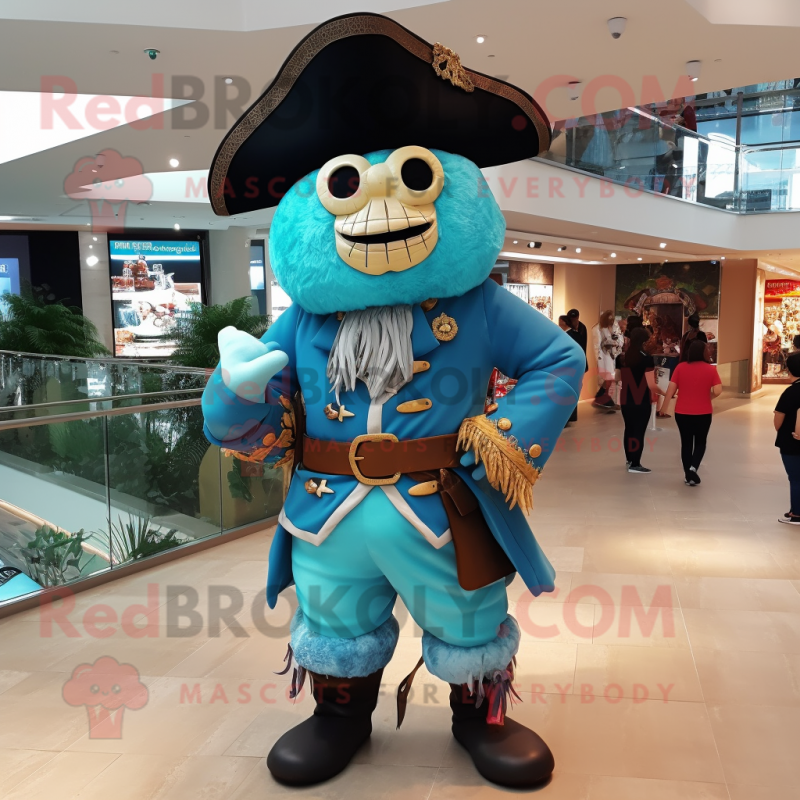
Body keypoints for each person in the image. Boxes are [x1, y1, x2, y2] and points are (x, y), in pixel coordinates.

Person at [662, 339, 722, 485]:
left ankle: (688, 475)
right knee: (700, 442)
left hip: (682, 412)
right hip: (704, 412)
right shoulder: (711, 369)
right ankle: (693, 469)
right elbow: (718, 391)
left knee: (686, 443)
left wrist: (664, 407)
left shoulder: (680, 367)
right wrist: (708, 397)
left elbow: (671, 389)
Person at [616, 327, 666, 474]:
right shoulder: (646, 359)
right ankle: (635, 463)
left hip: (626, 398)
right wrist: (666, 393)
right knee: (639, 431)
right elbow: (651, 385)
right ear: (644, 341)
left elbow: (617, 378)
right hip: (641, 400)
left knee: (629, 429)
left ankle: (629, 460)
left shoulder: (622, 357)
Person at [773, 352, 800, 524]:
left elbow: (778, 421)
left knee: (796, 478)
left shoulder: (790, 393)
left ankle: (796, 513)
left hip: (791, 442)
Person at [592, 310, 622, 411]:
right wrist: (599, 358)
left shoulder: (614, 327)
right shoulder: (598, 328)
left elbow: (619, 338)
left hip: (612, 354)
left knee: (610, 378)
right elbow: (597, 344)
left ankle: (603, 396)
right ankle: (602, 397)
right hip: (604, 355)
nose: (611, 320)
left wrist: (616, 343)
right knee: (608, 378)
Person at [565, 308, 588, 422]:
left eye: (574, 318)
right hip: (570, 362)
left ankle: (573, 415)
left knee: (576, 387)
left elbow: (584, 346)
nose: (573, 321)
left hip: (578, 362)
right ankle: (569, 415)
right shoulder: (568, 330)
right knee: (569, 388)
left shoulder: (582, 328)